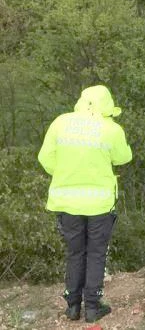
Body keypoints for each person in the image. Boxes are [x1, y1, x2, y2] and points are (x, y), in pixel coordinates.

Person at [37, 85, 132, 323]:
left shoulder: (60, 122)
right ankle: (92, 307)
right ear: (107, 106)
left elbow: (45, 158)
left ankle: (72, 307)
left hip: (66, 201)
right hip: (99, 204)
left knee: (75, 252)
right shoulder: (111, 129)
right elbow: (124, 157)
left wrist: (65, 172)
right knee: (96, 253)